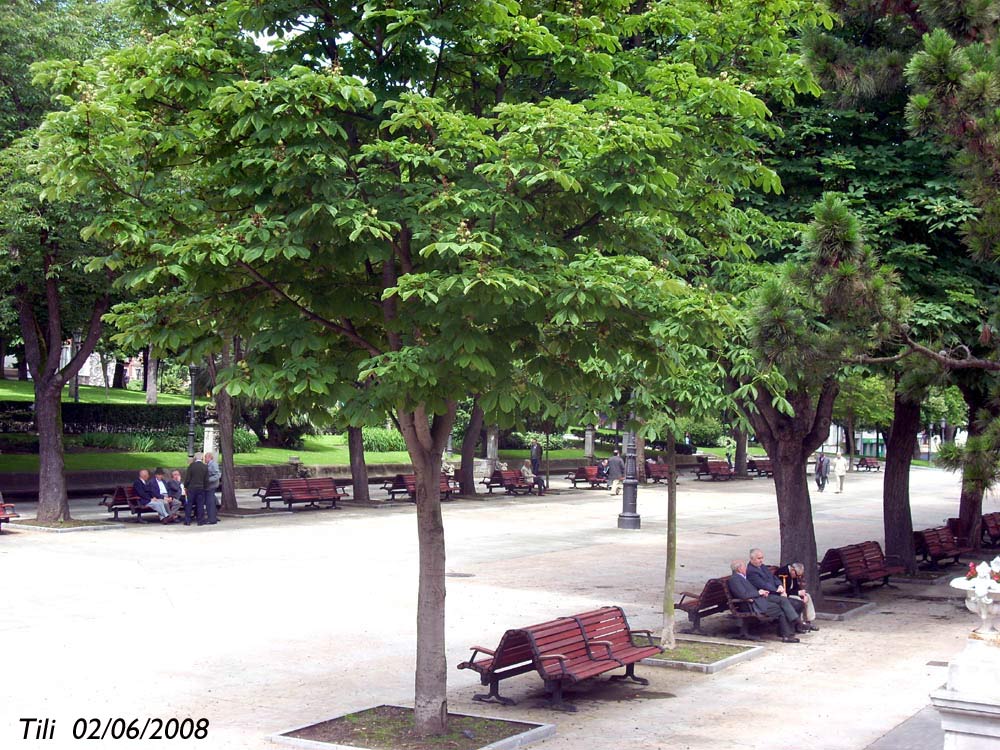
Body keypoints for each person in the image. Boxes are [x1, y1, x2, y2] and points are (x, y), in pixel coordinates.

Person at [727, 560, 801, 643]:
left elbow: (749, 591)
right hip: (751, 605)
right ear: (739, 569)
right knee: (780, 610)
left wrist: (761, 592)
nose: (746, 569)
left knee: (782, 600)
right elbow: (742, 594)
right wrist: (758, 593)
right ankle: (788, 634)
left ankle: (795, 623)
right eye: (744, 567)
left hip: (758, 600)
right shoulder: (735, 579)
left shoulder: (741, 577)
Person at [746, 548, 808, 634]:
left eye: (762, 558)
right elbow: (763, 585)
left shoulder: (762, 567)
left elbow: (774, 578)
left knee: (799, 603)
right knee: (785, 603)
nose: (761, 560)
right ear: (752, 559)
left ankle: (795, 626)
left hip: (775, 593)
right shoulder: (751, 571)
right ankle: (796, 623)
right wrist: (778, 591)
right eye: (759, 558)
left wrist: (780, 586)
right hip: (766, 596)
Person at [776, 562, 819, 631]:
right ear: (792, 570)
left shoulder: (793, 574)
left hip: (792, 593)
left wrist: (803, 594)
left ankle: (809, 620)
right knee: (798, 600)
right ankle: (800, 623)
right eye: (797, 575)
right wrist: (798, 593)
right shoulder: (783, 573)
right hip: (784, 595)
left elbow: (796, 586)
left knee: (808, 596)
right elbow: (785, 590)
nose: (797, 577)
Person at [184, 453, 210, 526]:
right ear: (202, 458)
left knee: (189, 504)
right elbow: (206, 480)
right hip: (201, 488)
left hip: (191, 488)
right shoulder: (205, 467)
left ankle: (187, 520)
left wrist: (185, 486)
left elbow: (188, 478)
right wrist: (205, 487)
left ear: (195, 458)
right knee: (200, 505)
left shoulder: (191, 466)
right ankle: (200, 521)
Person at [204, 451, 221, 524]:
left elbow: (217, 475)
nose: (204, 459)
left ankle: (211, 518)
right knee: (213, 501)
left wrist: (208, 480)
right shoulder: (209, 464)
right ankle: (213, 516)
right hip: (210, 486)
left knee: (210, 502)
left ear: (209, 457)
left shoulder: (213, 464)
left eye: (205, 457)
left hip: (211, 486)